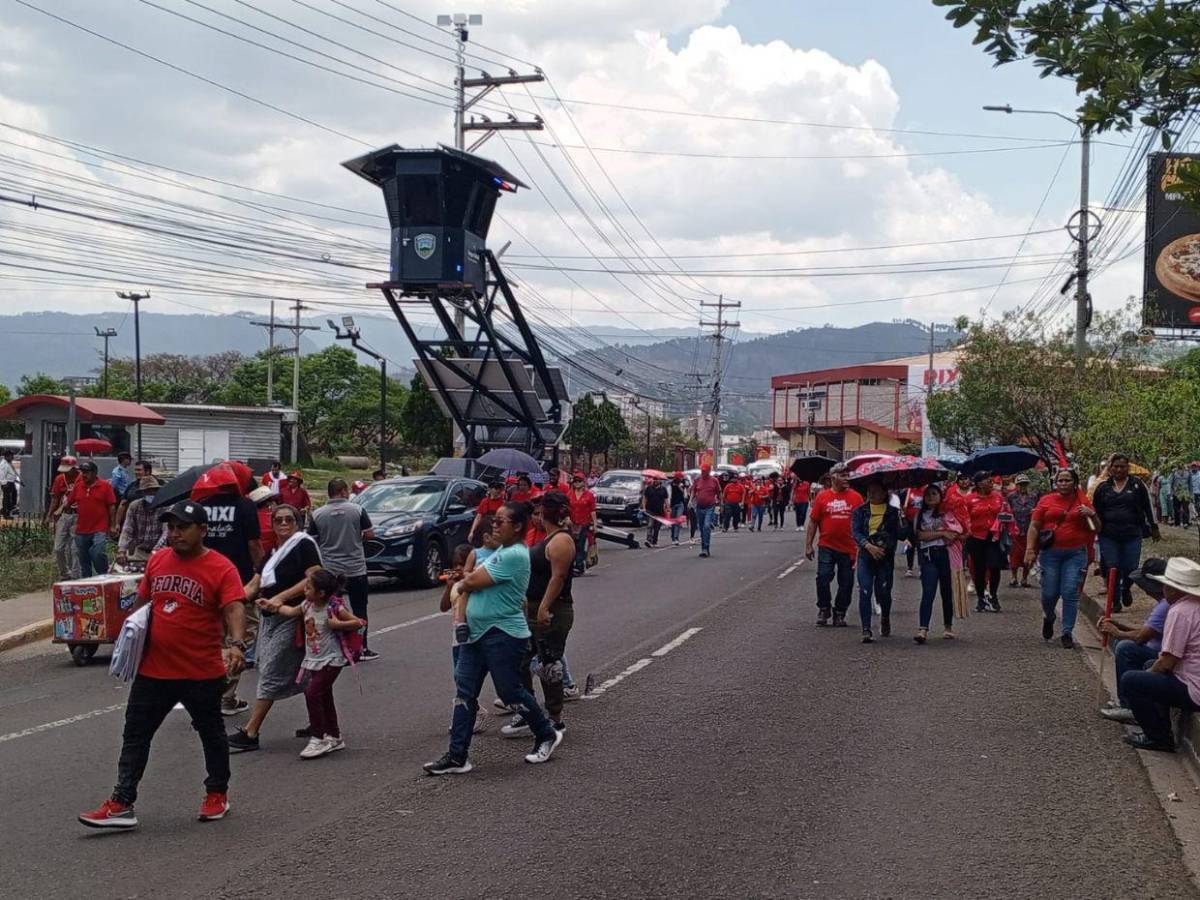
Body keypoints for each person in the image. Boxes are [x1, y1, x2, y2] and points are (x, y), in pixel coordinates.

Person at [78, 500, 246, 829]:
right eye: (171, 527)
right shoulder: (158, 560)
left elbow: (234, 607)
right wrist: (129, 635)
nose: (175, 533)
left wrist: (237, 644)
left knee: (211, 733)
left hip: (200, 671)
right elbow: (143, 603)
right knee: (135, 734)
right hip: (154, 670)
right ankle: (122, 803)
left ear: (202, 530)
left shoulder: (221, 567)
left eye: (183, 527)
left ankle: (217, 794)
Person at [424, 502, 563, 775]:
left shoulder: (514, 554)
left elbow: (470, 583)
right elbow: (471, 580)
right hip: (475, 634)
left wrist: (467, 579)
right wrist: (468, 580)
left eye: (500, 521)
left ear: (518, 526)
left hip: (502, 633)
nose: (494, 526)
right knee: (465, 693)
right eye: (494, 521)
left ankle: (546, 733)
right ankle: (457, 756)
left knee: (509, 691)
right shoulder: (500, 551)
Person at [226, 504, 322, 753]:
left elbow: (314, 577)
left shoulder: (304, 545)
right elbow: (254, 584)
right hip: (270, 617)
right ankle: (320, 720)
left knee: (271, 670)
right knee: (305, 670)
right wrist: (230, 601)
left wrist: (281, 597)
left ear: (298, 522)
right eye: (278, 520)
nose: (283, 523)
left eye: (289, 519)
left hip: (294, 616)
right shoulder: (272, 552)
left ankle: (251, 731)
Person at [268, 568, 363, 759]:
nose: (305, 590)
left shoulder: (333, 608)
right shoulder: (307, 605)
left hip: (331, 659)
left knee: (312, 693)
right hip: (314, 659)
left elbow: (358, 622)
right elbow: (291, 611)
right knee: (324, 695)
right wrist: (273, 606)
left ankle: (318, 737)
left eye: (308, 588)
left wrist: (337, 625)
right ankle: (334, 735)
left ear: (321, 593)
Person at [503, 491, 577, 736]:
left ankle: (555, 719)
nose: (535, 517)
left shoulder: (561, 540)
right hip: (533, 608)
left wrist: (544, 606)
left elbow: (558, 577)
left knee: (548, 664)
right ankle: (529, 712)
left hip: (552, 610)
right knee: (521, 661)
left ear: (545, 513)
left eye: (538, 512)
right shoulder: (548, 538)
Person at [196, 478, 263, 716]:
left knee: (214, 638)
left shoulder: (202, 506)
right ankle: (224, 695)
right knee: (241, 636)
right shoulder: (246, 505)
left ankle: (210, 691)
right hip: (240, 582)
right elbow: (254, 544)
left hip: (206, 579)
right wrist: (261, 572)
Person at [1120, 557, 1200, 752]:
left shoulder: (1180, 611)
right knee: (1149, 666)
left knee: (1131, 680)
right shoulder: (1193, 605)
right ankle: (1162, 730)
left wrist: (1148, 674)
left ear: (1172, 589)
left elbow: (1167, 662)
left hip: (1193, 687)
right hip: (1193, 677)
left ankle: (1157, 737)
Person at [1026, 468, 1099, 649]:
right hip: (1050, 553)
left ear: (1075, 483)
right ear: (1055, 483)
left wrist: (1092, 514)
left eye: (1068, 480)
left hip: (1076, 553)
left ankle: (1067, 632)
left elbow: (1097, 528)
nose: (1064, 484)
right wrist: (1030, 549)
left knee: (1070, 592)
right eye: (1061, 480)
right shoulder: (1046, 501)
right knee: (1049, 593)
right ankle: (1049, 616)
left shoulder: (1083, 502)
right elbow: (1034, 526)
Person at [309, 477, 377, 661]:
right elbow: (370, 534)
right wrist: (355, 538)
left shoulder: (318, 514)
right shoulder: (357, 510)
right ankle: (361, 647)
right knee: (359, 609)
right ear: (344, 491)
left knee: (332, 609)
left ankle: (335, 647)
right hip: (355, 568)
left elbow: (312, 540)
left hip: (331, 570)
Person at [1098, 558, 1170, 723]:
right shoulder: (1163, 603)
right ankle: (1126, 700)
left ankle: (1129, 706)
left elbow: (1141, 637)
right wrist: (1118, 626)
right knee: (1123, 644)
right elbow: (1146, 631)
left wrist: (1116, 632)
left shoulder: (1165, 606)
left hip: (1162, 654)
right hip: (1157, 650)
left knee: (1125, 648)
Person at [1094, 453, 1159, 609]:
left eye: (1122, 466)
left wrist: (1154, 526)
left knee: (1131, 567)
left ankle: (1126, 588)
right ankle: (1115, 600)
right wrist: (1094, 529)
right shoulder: (1103, 487)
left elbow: (1148, 506)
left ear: (1128, 468)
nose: (1119, 469)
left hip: (1132, 533)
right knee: (1112, 566)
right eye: (1115, 466)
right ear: (1110, 468)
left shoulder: (1137, 485)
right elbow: (1095, 510)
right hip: (1108, 534)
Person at [805, 467, 864, 628]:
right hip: (827, 546)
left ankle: (840, 612)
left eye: (848, 475)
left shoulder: (856, 497)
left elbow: (862, 521)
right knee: (823, 577)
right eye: (843, 476)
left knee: (846, 582)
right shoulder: (822, 497)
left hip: (849, 548)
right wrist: (808, 545)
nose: (846, 478)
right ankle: (824, 608)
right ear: (833, 477)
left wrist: (863, 544)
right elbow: (813, 522)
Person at [852, 480, 901, 643]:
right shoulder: (860, 511)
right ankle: (866, 629)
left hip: (885, 558)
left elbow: (900, 534)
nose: (872, 494)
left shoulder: (893, 512)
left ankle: (885, 617)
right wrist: (868, 546)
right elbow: (856, 532)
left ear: (884, 493)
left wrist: (904, 519)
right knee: (865, 590)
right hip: (866, 556)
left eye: (876, 490)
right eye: (869, 490)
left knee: (884, 592)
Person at [913, 484, 963, 643]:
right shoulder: (920, 515)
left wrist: (944, 534)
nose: (930, 497)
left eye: (934, 493)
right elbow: (920, 535)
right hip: (928, 556)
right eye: (927, 494)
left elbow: (956, 533)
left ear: (941, 496)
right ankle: (923, 629)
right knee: (928, 592)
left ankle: (948, 626)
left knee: (947, 592)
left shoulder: (948, 513)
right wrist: (941, 533)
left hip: (946, 555)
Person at [964, 471, 1009, 613]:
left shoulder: (998, 497)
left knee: (995, 566)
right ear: (979, 484)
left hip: (993, 537)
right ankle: (981, 598)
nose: (991, 483)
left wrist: (1005, 516)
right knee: (979, 569)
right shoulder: (969, 499)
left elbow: (1007, 515)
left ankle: (993, 596)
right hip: (975, 538)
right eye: (987, 481)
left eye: (991, 480)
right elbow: (963, 517)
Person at [69, 460, 118, 578]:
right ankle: (87, 581)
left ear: (95, 473)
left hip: (99, 527)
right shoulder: (78, 486)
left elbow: (112, 506)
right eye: (82, 472)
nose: (84, 475)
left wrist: (112, 525)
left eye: (87, 472)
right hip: (82, 528)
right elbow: (69, 501)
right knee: (83, 559)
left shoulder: (105, 486)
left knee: (97, 553)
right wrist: (58, 510)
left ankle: (103, 575)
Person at [117, 476, 165, 569]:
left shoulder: (164, 507)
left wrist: (155, 552)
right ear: (142, 493)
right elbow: (127, 529)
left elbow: (166, 533)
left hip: (160, 552)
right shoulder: (134, 506)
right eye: (148, 491)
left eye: (153, 490)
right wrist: (121, 550)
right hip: (140, 552)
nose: (151, 493)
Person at [48, 455, 80, 580]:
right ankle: (65, 572)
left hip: (78, 515)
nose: (66, 472)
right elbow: (55, 498)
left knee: (74, 549)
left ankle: (75, 576)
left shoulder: (81, 478)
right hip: (64, 515)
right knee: (58, 547)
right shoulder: (60, 479)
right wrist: (49, 515)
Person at [1006, 474, 1039, 588]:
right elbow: (1006, 511)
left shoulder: (1034, 496)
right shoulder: (1011, 497)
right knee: (1014, 554)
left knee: (1028, 554)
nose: (1022, 487)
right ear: (1016, 485)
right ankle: (1013, 577)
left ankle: (1024, 578)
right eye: (1020, 484)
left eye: (1025, 484)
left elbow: (1039, 510)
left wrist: (1035, 512)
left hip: (1030, 529)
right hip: (1015, 529)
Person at [566, 471, 597, 576]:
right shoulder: (569, 494)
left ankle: (578, 566)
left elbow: (592, 511)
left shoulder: (589, 495)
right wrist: (567, 518)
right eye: (575, 481)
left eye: (579, 481)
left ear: (583, 482)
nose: (577, 483)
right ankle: (573, 565)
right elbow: (566, 508)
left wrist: (595, 524)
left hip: (584, 524)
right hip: (572, 524)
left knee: (580, 545)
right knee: (572, 545)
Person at [690, 463, 721, 558]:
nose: (703, 472)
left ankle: (705, 548)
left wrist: (721, 504)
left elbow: (719, 492)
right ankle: (704, 547)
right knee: (701, 528)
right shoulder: (697, 480)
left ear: (709, 471)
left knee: (707, 526)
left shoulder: (714, 480)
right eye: (702, 471)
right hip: (699, 507)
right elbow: (693, 491)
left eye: (704, 471)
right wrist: (690, 501)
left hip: (710, 507)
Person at [642, 476, 668, 547]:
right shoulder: (649, 488)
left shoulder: (663, 489)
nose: (656, 481)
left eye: (657, 479)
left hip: (660, 511)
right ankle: (648, 539)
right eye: (654, 479)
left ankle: (654, 541)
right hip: (650, 510)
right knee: (650, 525)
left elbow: (666, 500)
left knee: (657, 527)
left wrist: (668, 508)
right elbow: (645, 498)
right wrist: (644, 507)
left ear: (660, 481)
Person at [668, 471, 687, 546]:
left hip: (680, 504)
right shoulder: (671, 485)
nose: (681, 479)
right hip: (673, 504)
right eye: (680, 477)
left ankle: (676, 538)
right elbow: (669, 495)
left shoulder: (682, 484)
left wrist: (680, 487)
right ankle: (673, 537)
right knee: (673, 521)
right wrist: (668, 505)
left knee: (677, 521)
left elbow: (685, 495)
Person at [0, 448, 17, 518]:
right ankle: (6, 513)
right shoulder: (4, 464)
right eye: (11, 456)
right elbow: (1, 475)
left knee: (12, 497)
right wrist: (4, 484)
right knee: (7, 499)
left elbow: (11, 473)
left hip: (11, 483)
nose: (12, 457)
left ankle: (6, 510)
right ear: (7, 456)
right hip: (7, 484)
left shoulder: (8, 463)